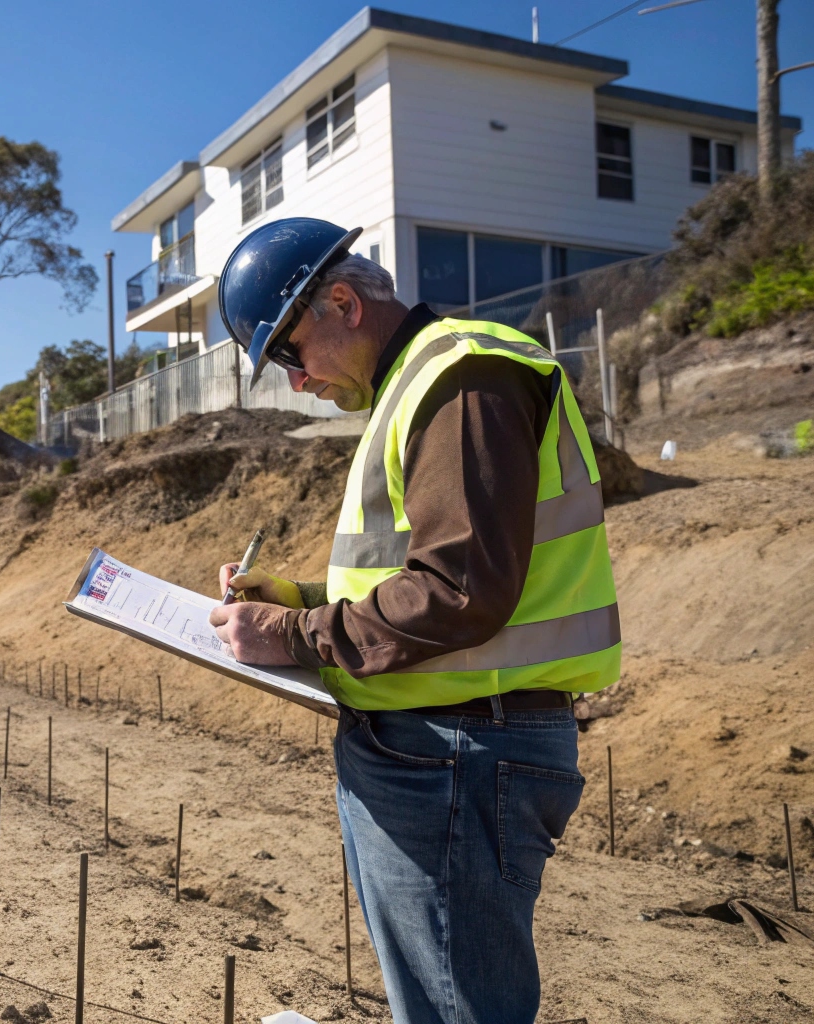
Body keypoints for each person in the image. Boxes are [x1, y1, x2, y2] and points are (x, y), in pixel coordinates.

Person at [207, 219, 619, 1024]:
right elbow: (414, 578)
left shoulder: (461, 377)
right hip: (441, 751)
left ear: (341, 304)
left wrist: (291, 638)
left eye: (290, 353)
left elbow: (459, 588)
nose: (295, 382)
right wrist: (287, 599)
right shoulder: (419, 385)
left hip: (461, 754)